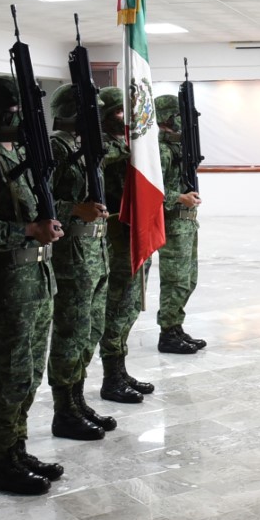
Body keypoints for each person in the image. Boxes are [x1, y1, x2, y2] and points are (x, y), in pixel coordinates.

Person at [0, 75, 64, 494]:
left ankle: (17, 449)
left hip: (38, 277)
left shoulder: (21, 152)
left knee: (32, 372)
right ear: (1, 113)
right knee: (12, 375)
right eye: (21, 110)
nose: (29, 118)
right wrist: (26, 230)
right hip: (10, 282)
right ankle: (2, 462)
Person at [44, 84, 119, 441]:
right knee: (70, 333)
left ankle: (77, 400)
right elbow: (38, 203)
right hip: (71, 254)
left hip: (95, 252)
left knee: (90, 330)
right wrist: (73, 209)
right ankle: (64, 410)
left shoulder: (83, 147)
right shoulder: (56, 148)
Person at [97, 86, 156, 404]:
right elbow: (101, 158)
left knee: (130, 307)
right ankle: (111, 377)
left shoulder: (127, 142)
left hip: (133, 232)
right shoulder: (100, 145)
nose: (123, 119)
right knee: (116, 308)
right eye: (118, 113)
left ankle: (120, 370)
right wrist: (135, 147)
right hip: (113, 237)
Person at [154, 95, 206, 355]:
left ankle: (176, 326)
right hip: (172, 223)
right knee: (175, 280)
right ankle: (167, 332)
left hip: (187, 225)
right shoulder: (160, 151)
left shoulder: (176, 147)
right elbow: (149, 192)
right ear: (167, 117)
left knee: (188, 280)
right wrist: (179, 198)